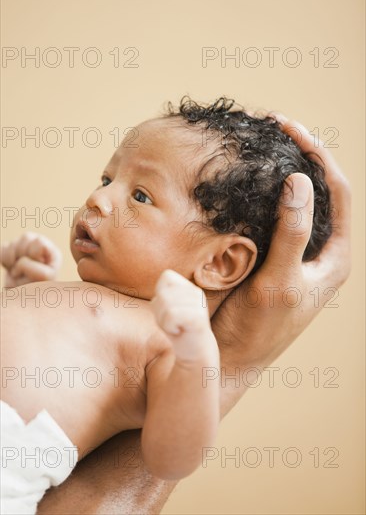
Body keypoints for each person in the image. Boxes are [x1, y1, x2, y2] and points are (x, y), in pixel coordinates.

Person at [1, 104, 351, 515]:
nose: (98, 199)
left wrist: (196, 353)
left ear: (220, 263)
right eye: (107, 179)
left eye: (141, 196)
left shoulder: (166, 341)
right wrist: (20, 290)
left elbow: (173, 458)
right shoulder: (92, 298)